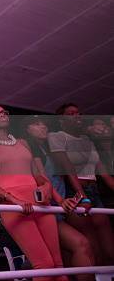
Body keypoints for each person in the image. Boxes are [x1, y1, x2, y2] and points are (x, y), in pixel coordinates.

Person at [0, 104, 66, 281]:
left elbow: (39, 176)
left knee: (58, 266)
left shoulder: (23, 142)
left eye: (4, 112)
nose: (2, 115)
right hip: (14, 206)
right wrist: (14, 200)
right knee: (44, 266)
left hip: (41, 203)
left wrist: (49, 189)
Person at [23, 115, 95, 280]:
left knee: (72, 252)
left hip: (59, 209)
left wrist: (79, 198)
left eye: (44, 124)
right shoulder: (29, 149)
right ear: (26, 129)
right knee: (81, 244)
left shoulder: (49, 149)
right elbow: (42, 180)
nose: (43, 127)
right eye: (36, 124)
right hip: (46, 209)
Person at [49, 103, 114, 265]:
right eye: (71, 114)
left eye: (78, 113)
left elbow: (101, 171)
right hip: (76, 192)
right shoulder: (57, 136)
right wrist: (83, 196)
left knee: (110, 251)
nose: (77, 116)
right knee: (92, 249)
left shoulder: (87, 140)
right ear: (61, 120)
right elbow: (67, 167)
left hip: (94, 191)